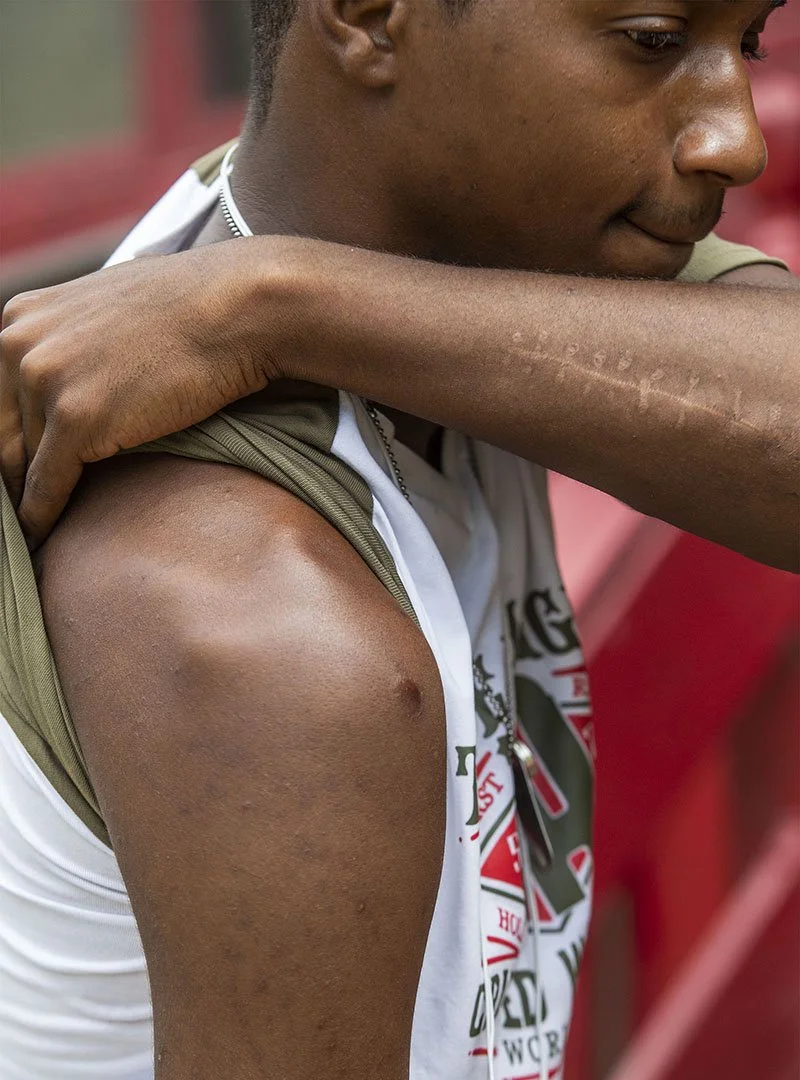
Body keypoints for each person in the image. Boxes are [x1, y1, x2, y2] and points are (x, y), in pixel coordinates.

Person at [0, 2, 798, 1079]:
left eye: (746, 41)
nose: (735, 138)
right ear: (371, 17)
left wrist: (274, 304)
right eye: (650, 41)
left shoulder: (370, 246)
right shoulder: (262, 627)